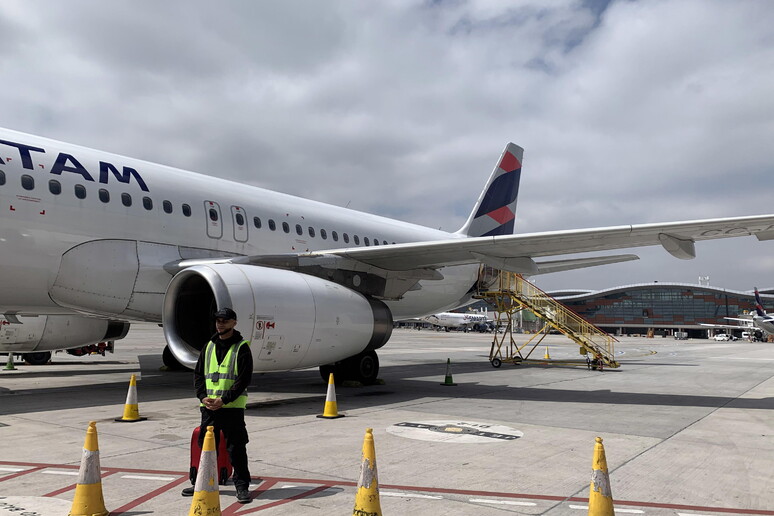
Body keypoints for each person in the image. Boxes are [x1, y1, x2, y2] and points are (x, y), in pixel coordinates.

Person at [182, 308, 253, 504]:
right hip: (209, 408)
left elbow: (243, 379)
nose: (220, 323)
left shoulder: (241, 348)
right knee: (205, 448)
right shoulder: (209, 346)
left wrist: (225, 400)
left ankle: (242, 486)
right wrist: (203, 396)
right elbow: (198, 374)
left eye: (225, 320)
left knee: (236, 449)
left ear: (234, 322)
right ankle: (201, 482)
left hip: (232, 408)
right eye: (218, 320)